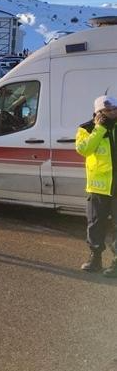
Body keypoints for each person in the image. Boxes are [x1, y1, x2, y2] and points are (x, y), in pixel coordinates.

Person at [76, 95, 117, 275]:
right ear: (98, 112)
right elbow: (84, 149)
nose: (113, 112)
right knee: (95, 225)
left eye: (115, 109)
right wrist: (99, 129)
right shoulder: (86, 128)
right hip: (98, 187)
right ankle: (95, 259)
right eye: (108, 110)